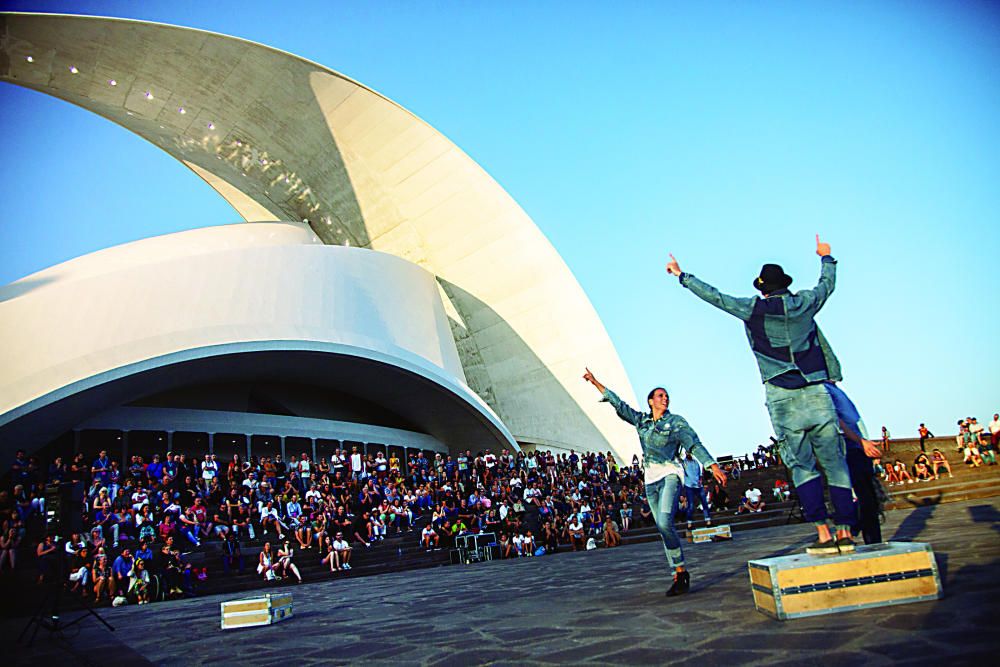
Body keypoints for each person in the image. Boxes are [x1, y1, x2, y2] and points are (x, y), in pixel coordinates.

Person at [667, 236, 855, 555]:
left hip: (782, 394)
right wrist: (826, 257)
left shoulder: (753, 308)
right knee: (835, 463)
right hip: (816, 390)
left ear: (763, 288)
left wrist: (682, 276)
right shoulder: (805, 302)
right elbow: (827, 285)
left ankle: (823, 533)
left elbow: (717, 298)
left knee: (801, 465)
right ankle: (846, 531)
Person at [583, 367, 726, 596]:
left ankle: (680, 571)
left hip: (670, 474)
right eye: (660, 395)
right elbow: (620, 406)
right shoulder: (642, 422)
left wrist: (712, 465)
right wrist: (595, 382)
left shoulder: (676, 423)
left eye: (666, 395)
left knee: (663, 522)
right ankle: (678, 571)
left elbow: (693, 443)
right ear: (650, 401)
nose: (665, 398)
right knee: (663, 527)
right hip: (650, 480)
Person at [824, 382, 884, 544]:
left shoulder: (835, 389)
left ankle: (867, 536)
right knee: (864, 498)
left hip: (857, 446)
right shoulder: (825, 389)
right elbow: (835, 418)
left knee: (868, 498)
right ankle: (852, 530)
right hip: (849, 446)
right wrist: (860, 441)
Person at [681, 452, 711, 527]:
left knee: (704, 502)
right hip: (689, 486)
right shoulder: (684, 463)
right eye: (687, 453)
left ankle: (708, 520)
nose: (689, 454)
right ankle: (689, 523)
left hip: (698, 485)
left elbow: (700, 473)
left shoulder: (696, 462)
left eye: (690, 453)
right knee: (690, 505)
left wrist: (700, 480)